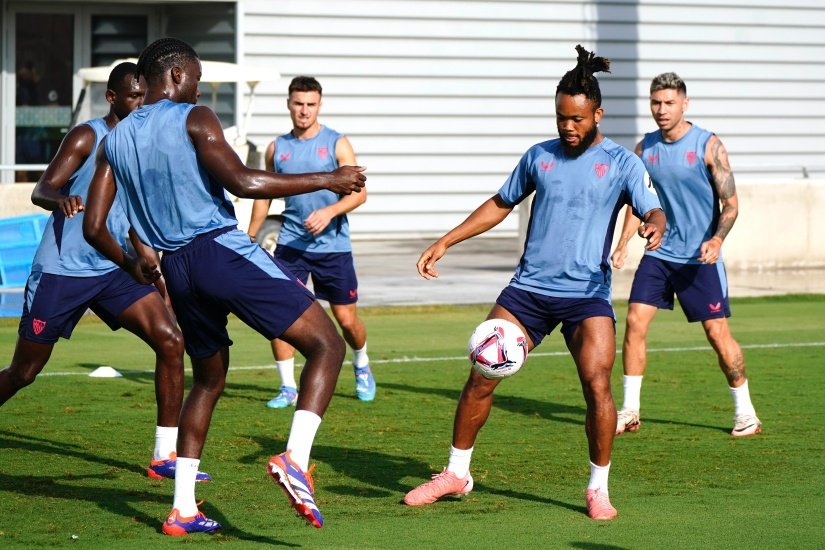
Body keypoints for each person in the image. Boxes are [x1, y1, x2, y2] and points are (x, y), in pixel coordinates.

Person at [83, 38, 366, 536]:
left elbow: (94, 224)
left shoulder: (116, 139)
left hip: (177, 271)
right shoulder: (194, 117)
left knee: (209, 380)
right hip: (218, 251)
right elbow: (243, 182)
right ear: (173, 75)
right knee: (326, 345)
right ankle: (296, 460)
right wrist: (331, 177)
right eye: (193, 77)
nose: (197, 87)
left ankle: (183, 509)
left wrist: (134, 262)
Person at [402, 45, 665, 521]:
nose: (568, 126)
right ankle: (457, 473)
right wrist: (447, 240)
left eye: (578, 119)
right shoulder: (538, 157)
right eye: (561, 117)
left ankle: (598, 489)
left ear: (597, 114)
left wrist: (654, 224)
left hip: (586, 296)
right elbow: (500, 203)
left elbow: (652, 207)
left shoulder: (622, 163)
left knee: (597, 387)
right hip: (527, 292)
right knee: (481, 374)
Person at [0, 61, 210, 482]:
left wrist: (151, 263)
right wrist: (60, 200)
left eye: (144, 95)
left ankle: (163, 455)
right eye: (132, 96)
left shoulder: (144, 145)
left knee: (171, 340)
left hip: (115, 267)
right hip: (64, 271)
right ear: (112, 98)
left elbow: (136, 215)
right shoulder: (87, 135)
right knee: (25, 372)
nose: (140, 103)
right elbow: (43, 187)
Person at [610, 72, 761, 438]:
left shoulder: (708, 145)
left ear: (685, 104)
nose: (662, 110)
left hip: (700, 259)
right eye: (656, 103)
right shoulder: (645, 149)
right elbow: (637, 202)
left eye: (669, 103)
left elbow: (731, 204)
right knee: (634, 323)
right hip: (660, 254)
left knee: (716, 333)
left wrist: (717, 240)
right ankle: (630, 410)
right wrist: (624, 241)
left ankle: (746, 413)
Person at [247, 76, 374, 407]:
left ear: (320, 105)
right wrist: (250, 235)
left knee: (346, 320)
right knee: (281, 316)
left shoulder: (336, 143)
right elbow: (265, 195)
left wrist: (330, 211)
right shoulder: (277, 148)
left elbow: (360, 194)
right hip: (290, 245)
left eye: (310, 104)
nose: (304, 111)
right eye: (298, 103)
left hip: (333, 248)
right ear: (288, 104)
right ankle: (288, 387)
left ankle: (361, 363)